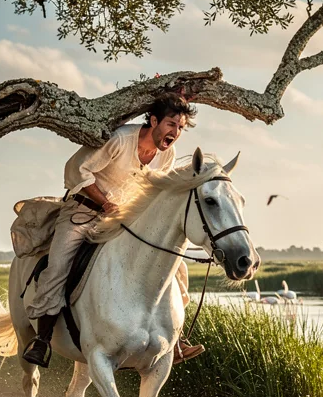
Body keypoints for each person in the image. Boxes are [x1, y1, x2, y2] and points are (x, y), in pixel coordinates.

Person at [22, 93, 205, 368]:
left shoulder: (168, 155)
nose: (175, 133)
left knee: (175, 265)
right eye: (171, 124)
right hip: (82, 212)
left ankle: (174, 339)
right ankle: (42, 339)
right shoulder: (119, 140)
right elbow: (76, 171)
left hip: (124, 219)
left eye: (180, 128)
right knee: (58, 266)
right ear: (154, 120)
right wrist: (106, 202)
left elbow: (156, 190)